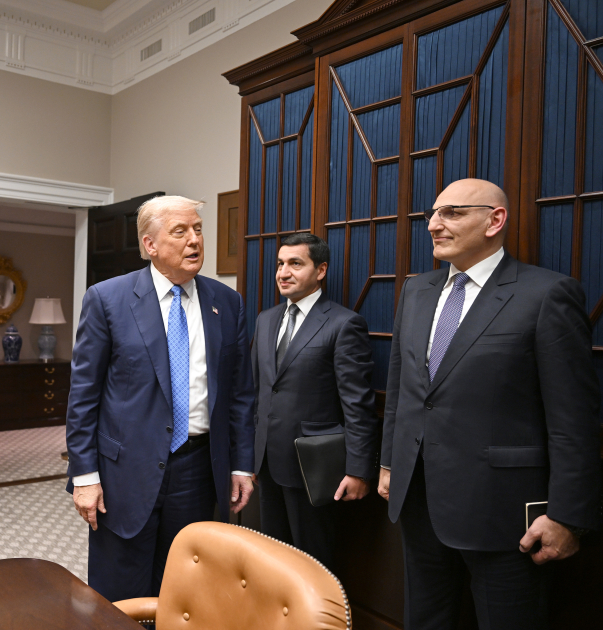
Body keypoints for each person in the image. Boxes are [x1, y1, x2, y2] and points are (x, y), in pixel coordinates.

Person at [378, 178, 601, 630]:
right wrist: (388, 464)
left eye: (452, 213)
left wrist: (567, 516)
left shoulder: (546, 294)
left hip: (504, 514)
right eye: (432, 214)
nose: (434, 225)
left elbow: (573, 420)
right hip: (419, 499)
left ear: (495, 220)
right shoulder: (417, 291)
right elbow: (402, 390)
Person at [66, 195, 255, 602]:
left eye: (198, 230)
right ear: (150, 245)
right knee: (120, 596)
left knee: (184, 591)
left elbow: (240, 393)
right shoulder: (107, 299)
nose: (194, 240)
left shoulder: (227, 302)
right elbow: (83, 397)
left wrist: (241, 464)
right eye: (180, 231)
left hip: (197, 469)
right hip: (123, 472)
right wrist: (84, 477)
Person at [251, 233, 379, 571]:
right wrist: (249, 456)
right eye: (281, 264)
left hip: (313, 467)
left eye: (295, 263)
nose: (283, 272)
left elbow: (358, 404)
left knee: (313, 566)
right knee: (272, 564)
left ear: (320, 270)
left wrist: (359, 469)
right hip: (267, 464)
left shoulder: (343, 324)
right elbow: (259, 391)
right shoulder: (266, 319)